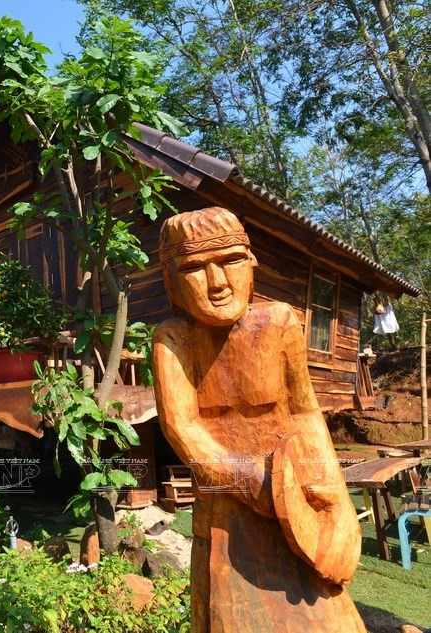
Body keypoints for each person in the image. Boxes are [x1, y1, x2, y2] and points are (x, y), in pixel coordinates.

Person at [153, 207, 364, 632]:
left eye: (230, 261)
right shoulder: (174, 340)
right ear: (172, 285)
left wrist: (330, 496)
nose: (217, 283)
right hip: (226, 512)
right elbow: (182, 428)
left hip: (297, 497)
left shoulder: (279, 322)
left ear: (251, 266)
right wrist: (253, 482)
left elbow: (305, 412)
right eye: (195, 268)